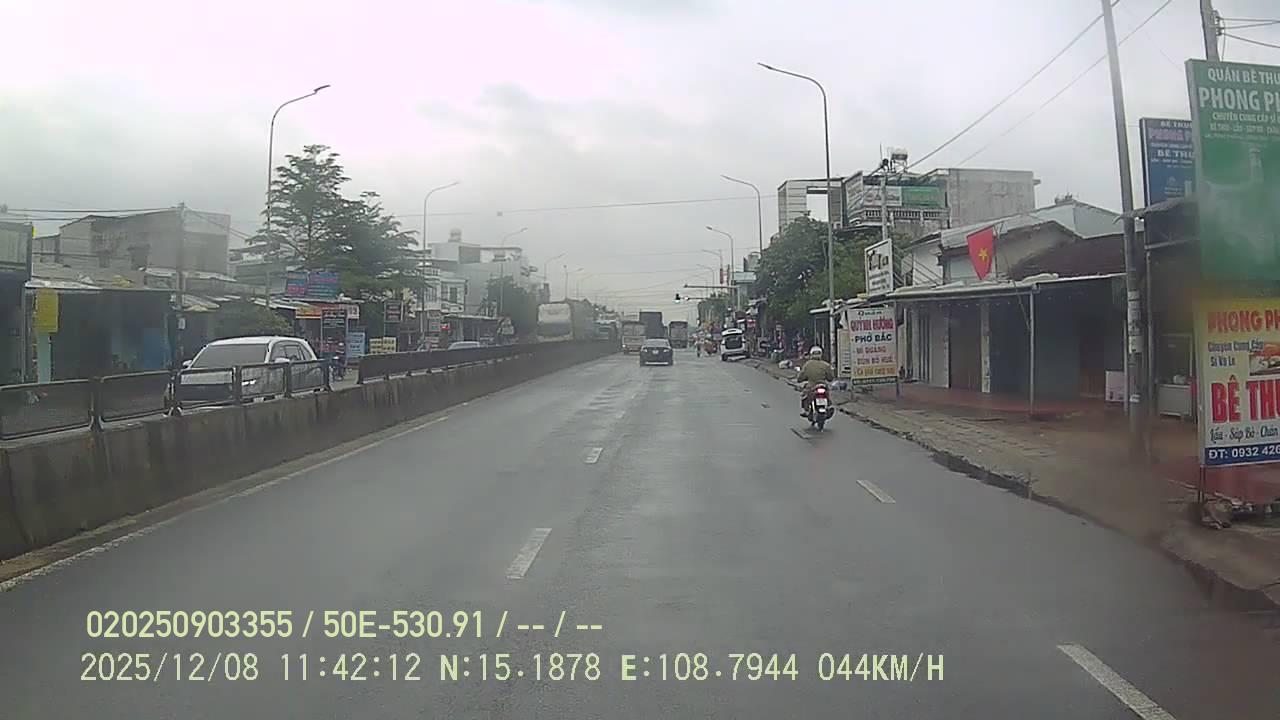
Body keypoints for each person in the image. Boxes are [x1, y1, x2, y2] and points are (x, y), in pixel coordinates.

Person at [797, 345, 835, 415]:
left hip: (811, 386)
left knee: (804, 395)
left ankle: (806, 410)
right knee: (827, 394)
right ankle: (829, 406)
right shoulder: (826, 365)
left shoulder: (807, 365)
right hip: (823, 385)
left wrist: (800, 379)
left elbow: (801, 377)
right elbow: (830, 378)